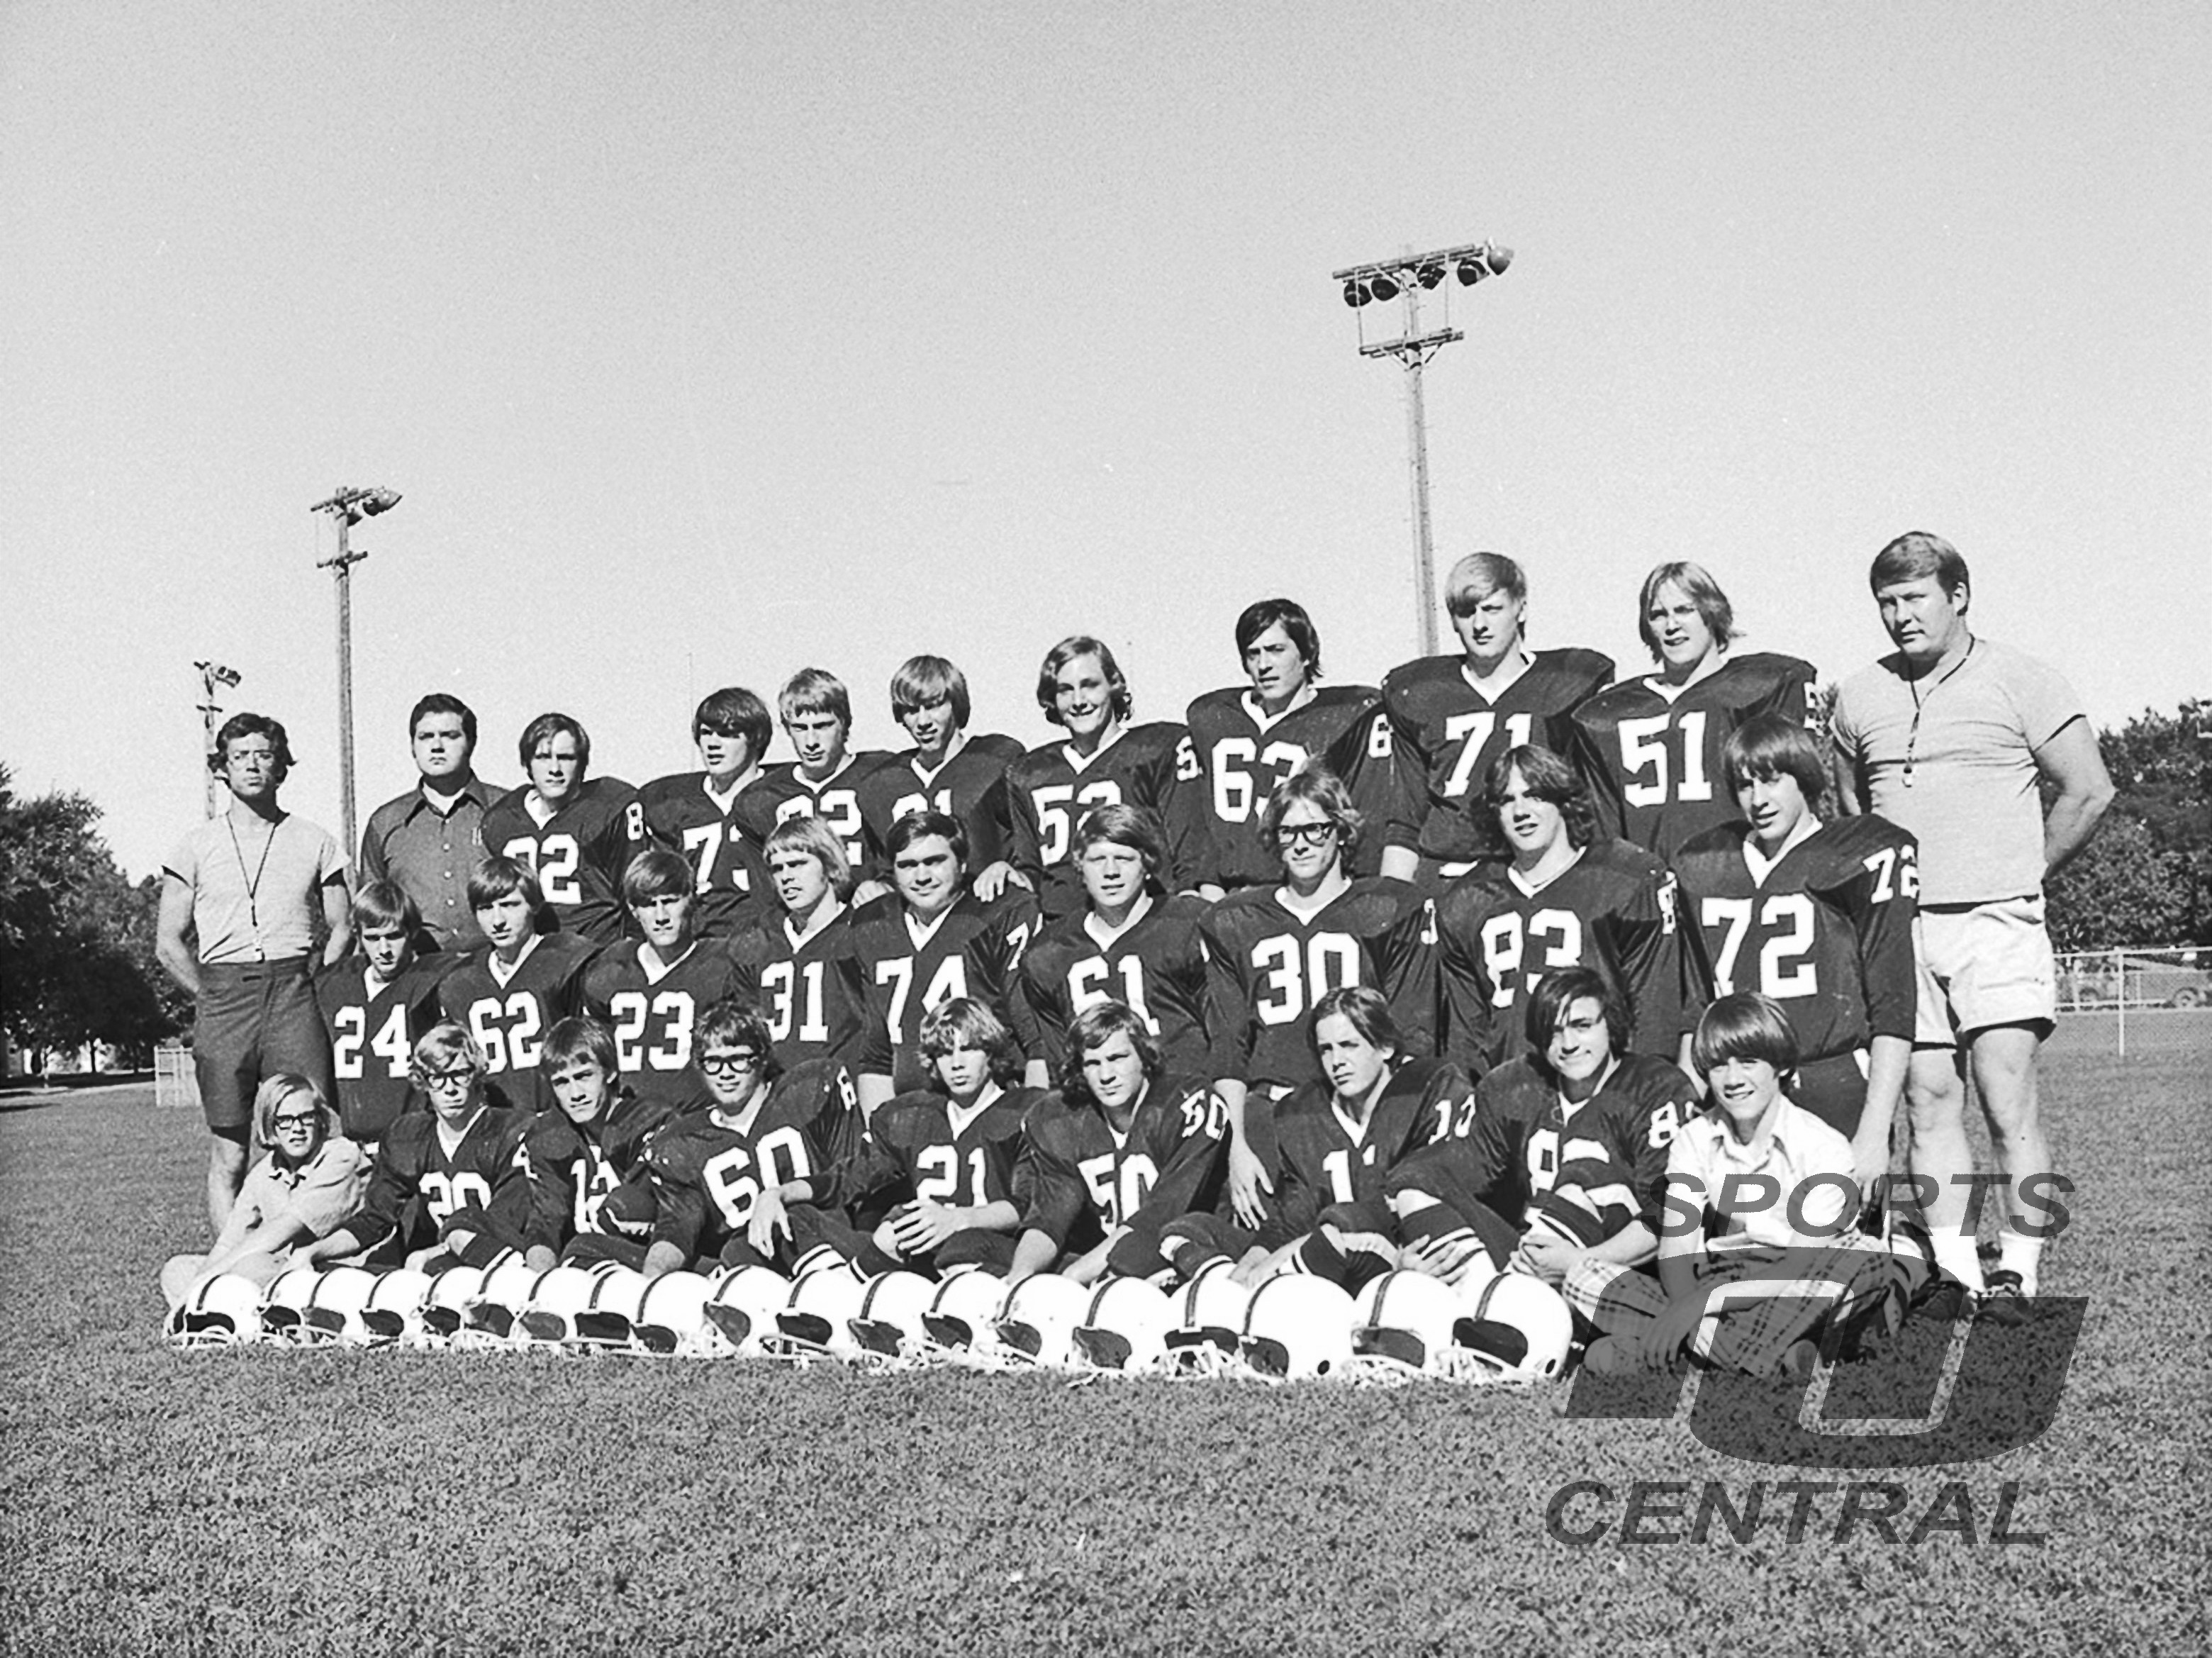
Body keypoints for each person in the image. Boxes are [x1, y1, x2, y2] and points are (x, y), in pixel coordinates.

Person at [1828, 532, 2113, 1313]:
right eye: (1887, 602)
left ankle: (2018, 1269)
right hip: (1902, 929)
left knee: (2004, 1093)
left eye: (1915, 598)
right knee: (1926, 1096)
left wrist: (2025, 871)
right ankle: (1956, 1271)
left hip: (1997, 921)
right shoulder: (1859, 694)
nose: (1900, 615)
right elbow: (1854, 806)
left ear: (1958, 596)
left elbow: (2090, 789)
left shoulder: (2023, 678)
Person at [1573, 993, 1894, 1377]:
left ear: (1780, 1065)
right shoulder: (1694, 1138)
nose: (1733, 1079)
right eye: (1718, 1066)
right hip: (1720, 1276)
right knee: (1582, 1277)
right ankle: (1770, 1356)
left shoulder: (1823, 1146)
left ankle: (1677, 1352)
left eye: (1748, 1062)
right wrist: (1687, 1305)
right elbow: (1677, 1248)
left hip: (1788, 1281)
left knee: (1867, 1257)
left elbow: (1797, 1265)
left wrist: (1697, 1307)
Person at [1673, 716, 1918, 1186]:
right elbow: (1698, 1007)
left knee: (1850, 1226)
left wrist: (1874, 1130)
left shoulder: (1857, 852)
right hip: (1739, 1085)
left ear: (1804, 776)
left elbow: (1893, 1007)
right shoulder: (1706, 862)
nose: (1759, 800)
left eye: (1772, 780)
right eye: (1745, 785)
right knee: (1742, 1226)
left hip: (1833, 1079)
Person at [1197, 769, 1437, 1231]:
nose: (1301, 844)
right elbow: (1229, 1048)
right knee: (1256, 1239)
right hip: (1273, 1109)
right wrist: (1237, 1145)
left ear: (1341, 832)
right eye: (1288, 832)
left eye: (1316, 829)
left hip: (1359, 1109)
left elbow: (1412, 1036)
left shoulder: (1388, 907)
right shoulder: (1236, 920)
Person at [157, 712, 351, 1232]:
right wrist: (208, 994)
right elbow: (168, 943)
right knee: (231, 1151)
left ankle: (311, 1258)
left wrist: (314, 983)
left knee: (311, 1135)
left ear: (281, 767)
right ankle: (232, 1261)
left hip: (293, 992)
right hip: (224, 995)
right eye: (239, 756)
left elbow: (343, 927)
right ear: (222, 768)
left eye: (264, 755)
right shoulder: (195, 846)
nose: (252, 765)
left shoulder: (314, 839)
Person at [1387, 967, 1696, 1293]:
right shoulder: (1513, 1085)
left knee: (1587, 1175)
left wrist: (1584, 1261)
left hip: (1615, 1269)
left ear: (1611, 1022)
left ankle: (1509, 1302)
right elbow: (1446, 1171)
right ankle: (1489, 1299)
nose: (1568, 1044)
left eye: (1582, 1026)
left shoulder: (1655, 1088)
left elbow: (1673, 1213)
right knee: (1416, 1183)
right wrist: (1411, 1251)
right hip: (1524, 1257)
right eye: (1553, 1031)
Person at [1161, 987, 1474, 1292]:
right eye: (1326, 1049)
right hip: (1327, 1260)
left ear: (1385, 1047)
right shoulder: (1303, 1113)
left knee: (1342, 1227)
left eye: (1349, 1045)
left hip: (1408, 1252)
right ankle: (1233, 1289)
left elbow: (1422, 1194)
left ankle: (1252, 1293)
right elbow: (1291, 1219)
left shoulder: (1424, 1090)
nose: (1337, 1061)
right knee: (1184, 1231)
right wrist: (1251, 1263)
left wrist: (1283, 1257)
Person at [1434, 745, 1689, 1074]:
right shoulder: (1468, 900)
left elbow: (1651, 1011)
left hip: (1602, 1085)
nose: (1521, 811)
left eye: (1535, 796)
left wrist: (1637, 1086)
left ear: (1563, 800)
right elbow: (1466, 1032)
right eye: (1507, 800)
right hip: (1510, 1089)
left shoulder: (1622, 880)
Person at [1378, 553, 1614, 889]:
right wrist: (1393, 901)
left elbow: (1592, 807)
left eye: (1492, 609)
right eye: (1466, 612)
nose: (1480, 625)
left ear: (1521, 609)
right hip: (1449, 876)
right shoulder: (1419, 692)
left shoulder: (1568, 684)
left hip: (1540, 875)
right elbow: (1405, 818)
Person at [1568, 562, 1815, 862]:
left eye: (1684, 610)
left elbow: (1798, 798)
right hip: (1644, 881)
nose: (1671, 625)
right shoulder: (1607, 714)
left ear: (1712, 612)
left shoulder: (1764, 687)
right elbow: (1602, 831)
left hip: (1738, 874)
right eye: (1658, 615)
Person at [632, 1000, 861, 1278]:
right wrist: (653, 1277)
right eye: (713, 1062)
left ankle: (833, 1285)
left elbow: (853, 1176)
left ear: (762, 1058)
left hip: (825, 1244)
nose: (725, 1072)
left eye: (738, 1059)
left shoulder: (808, 1094)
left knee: (787, 1219)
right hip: (748, 1267)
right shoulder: (683, 1143)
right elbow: (678, 1231)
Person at [1005, 1001, 1227, 1286]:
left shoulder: (1185, 1102)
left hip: (1178, 1250)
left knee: (1144, 1251)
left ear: (1144, 1056)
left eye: (1117, 1058)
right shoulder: (1060, 1121)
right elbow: (1050, 1218)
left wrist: (1073, 1278)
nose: (1106, 1075)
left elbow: (1162, 1213)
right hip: (1103, 1256)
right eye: (1093, 1063)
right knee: (975, 1248)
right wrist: (1020, 1276)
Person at [1184, 599, 1387, 893]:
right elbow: (1202, 821)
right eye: (1253, 654)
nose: (1264, 665)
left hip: (1308, 891)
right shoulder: (1214, 717)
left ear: (1306, 653)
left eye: (1276, 650)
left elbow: (1364, 819)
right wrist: (1208, 886)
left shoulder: (1347, 717)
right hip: (1231, 892)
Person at [1012, 803, 1217, 1089]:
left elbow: (1225, 1034)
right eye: (1097, 859)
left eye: (1124, 858)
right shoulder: (1048, 952)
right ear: (1080, 867)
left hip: (1182, 1093)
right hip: (1097, 1102)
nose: (1111, 871)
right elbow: (1061, 1060)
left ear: (1147, 864)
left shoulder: (1188, 925)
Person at [849, 810, 1037, 1115]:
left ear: (962, 863)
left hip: (995, 1107)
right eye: (908, 865)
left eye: (934, 861)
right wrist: (878, 1132)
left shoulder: (997, 911)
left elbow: (1035, 1039)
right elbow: (877, 1057)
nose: (922, 876)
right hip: (912, 1115)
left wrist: (1032, 1120)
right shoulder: (874, 925)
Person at [832, 998, 1038, 1277]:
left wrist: (957, 1219)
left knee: (963, 1245)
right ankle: (846, 1287)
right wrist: (784, 1192)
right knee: (892, 1226)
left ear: (991, 1052)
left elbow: (1033, 1207)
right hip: (932, 1253)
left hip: (1003, 1253)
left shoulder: (1025, 1112)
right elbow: (850, 1177)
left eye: (968, 1049)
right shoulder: (914, 1115)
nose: (957, 1064)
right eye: (944, 1053)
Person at [303, 1021, 532, 1272]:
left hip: (501, 1261)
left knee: (421, 1264)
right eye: (438, 1078)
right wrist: (314, 1251)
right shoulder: (408, 1137)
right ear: (423, 1082)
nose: (450, 1089)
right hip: (442, 1265)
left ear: (476, 1076)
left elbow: (506, 1221)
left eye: (459, 1074)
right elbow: (374, 1221)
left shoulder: (508, 1131)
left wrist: (436, 1251)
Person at [1004, 635, 1206, 918]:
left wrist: (1187, 909)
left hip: (1148, 921)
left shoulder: (1156, 749)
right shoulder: (1029, 772)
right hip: (1060, 927)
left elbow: (1191, 849)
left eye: (1089, 685)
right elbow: (1029, 867)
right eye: (1065, 690)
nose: (1078, 701)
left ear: (1114, 684)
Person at [158, 1074, 369, 1307]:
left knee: (250, 1268)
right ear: (270, 1125)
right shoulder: (265, 1170)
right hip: (283, 1267)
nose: (297, 1128)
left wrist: (203, 1284)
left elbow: (284, 1229)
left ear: (320, 1120)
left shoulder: (342, 1156)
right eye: (285, 1120)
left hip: (336, 1271)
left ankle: (223, 1312)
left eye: (306, 1117)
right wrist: (200, 1280)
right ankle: (208, 1312)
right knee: (178, 1270)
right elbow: (229, 1242)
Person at [579, 847, 744, 1113]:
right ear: (633, 910)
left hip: (697, 1119)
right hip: (628, 1122)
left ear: (692, 899)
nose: (661, 916)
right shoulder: (610, 968)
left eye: (670, 901)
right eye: (648, 904)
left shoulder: (722, 965)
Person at [511, 1016, 677, 1271]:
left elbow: (644, 1210)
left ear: (610, 1072)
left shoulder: (649, 1123)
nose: (575, 1094)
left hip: (646, 1259)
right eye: (562, 1082)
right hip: (579, 1265)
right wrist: (541, 1277)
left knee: (596, 1233)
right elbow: (546, 1222)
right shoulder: (549, 1136)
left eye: (584, 1076)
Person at [854, 655, 1027, 896]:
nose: (923, 721)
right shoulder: (882, 783)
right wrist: (877, 885)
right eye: (912, 710)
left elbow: (1030, 845)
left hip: (989, 906)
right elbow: (884, 867)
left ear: (956, 703)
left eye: (934, 706)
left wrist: (1008, 868)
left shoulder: (995, 761)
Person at [435, 857, 595, 1113]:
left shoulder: (565, 960)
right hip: (494, 1123)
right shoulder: (459, 981)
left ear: (534, 905)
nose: (498, 920)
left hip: (560, 1117)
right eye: (486, 908)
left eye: (509, 905)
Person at [479, 712, 649, 943]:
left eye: (566, 757)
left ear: (582, 763)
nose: (555, 768)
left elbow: (636, 890)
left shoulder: (609, 806)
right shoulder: (501, 818)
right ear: (527, 763)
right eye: (543, 757)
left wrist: (629, 950)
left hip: (596, 950)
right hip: (531, 953)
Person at [312, 879, 455, 1150]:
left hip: (413, 1141)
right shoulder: (335, 983)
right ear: (358, 935)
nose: (384, 950)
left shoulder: (429, 979)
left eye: (394, 936)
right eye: (373, 938)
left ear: (412, 932)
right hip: (351, 1142)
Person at [357, 693, 503, 950]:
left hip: (497, 963)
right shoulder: (385, 822)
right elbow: (373, 913)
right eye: (425, 737)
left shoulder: (507, 811)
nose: (436, 746)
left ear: (471, 743)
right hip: (418, 967)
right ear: (412, 747)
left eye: (450, 736)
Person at [724, 816, 869, 1069]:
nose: (786, 877)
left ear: (830, 865)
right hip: (777, 1083)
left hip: (842, 1082)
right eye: (777, 869)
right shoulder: (759, 938)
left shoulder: (859, 932)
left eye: (797, 864)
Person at [637, 686, 775, 940]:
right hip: (701, 943)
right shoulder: (673, 803)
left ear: (756, 737)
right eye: (706, 733)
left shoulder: (781, 799)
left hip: (767, 940)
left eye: (727, 734)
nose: (713, 744)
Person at [735, 668, 890, 885]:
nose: (811, 742)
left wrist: (885, 885)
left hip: (873, 904)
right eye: (800, 728)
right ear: (787, 729)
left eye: (822, 726)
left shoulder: (884, 774)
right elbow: (766, 888)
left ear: (845, 722)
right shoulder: (762, 798)